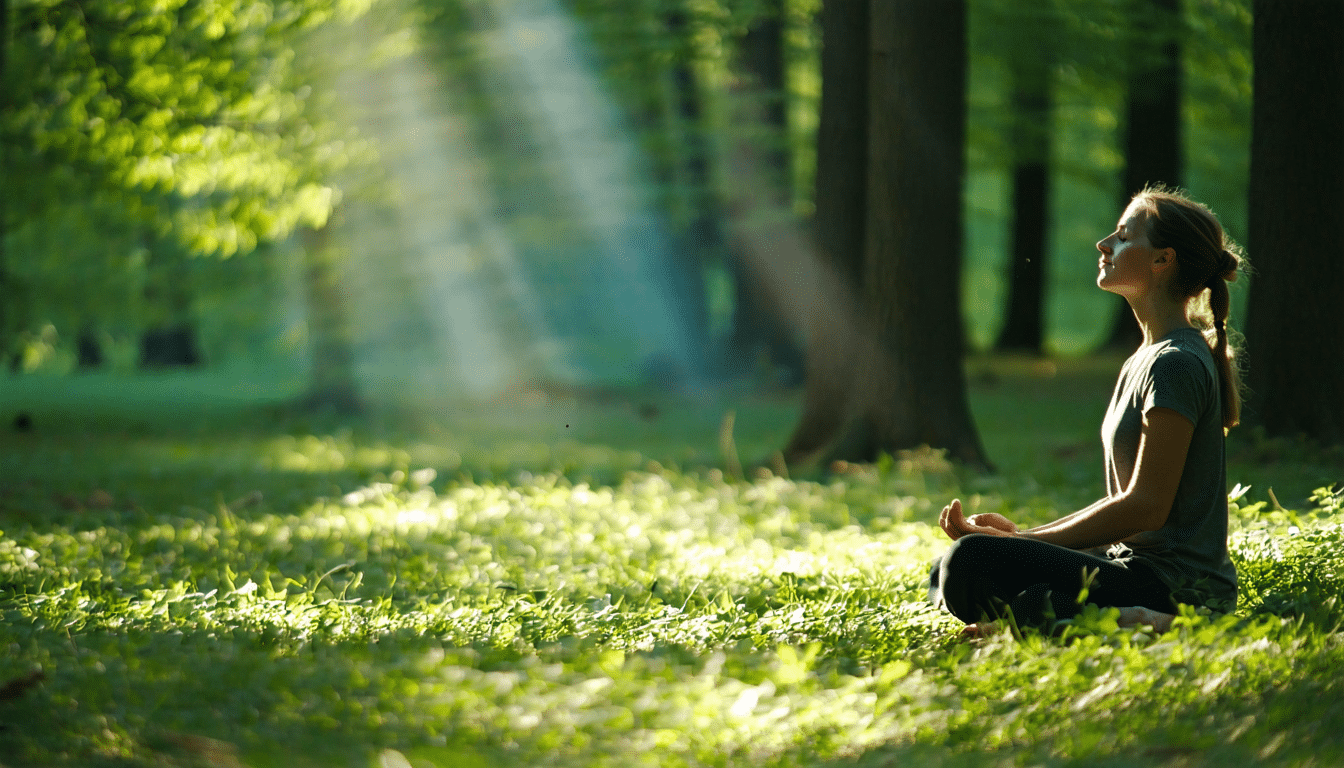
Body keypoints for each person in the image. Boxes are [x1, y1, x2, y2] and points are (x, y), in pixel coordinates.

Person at [929, 186, 1244, 635]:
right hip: (1127, 565)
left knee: (971, 560)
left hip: (1177, 585)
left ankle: (1149, 621)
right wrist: (1020, 544)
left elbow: (1146, 508)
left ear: (1162, 260)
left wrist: (1021, 544)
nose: (1104, 244)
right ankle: (1048, 618)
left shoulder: (1176, 362)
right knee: (943, 569)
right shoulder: (1146, 357)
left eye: (1122, 235)